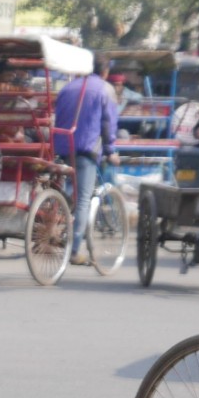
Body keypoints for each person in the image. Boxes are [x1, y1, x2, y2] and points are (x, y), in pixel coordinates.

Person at [52, 54, 118, 265]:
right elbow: (108, 124)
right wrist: (110, 150)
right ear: (105, 71)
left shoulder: (68, 87)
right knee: (83, 200)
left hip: (62, 146)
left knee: (70, 191)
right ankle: (74, 250)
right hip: (86, 149)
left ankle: (59, 225)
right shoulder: (105, 89)